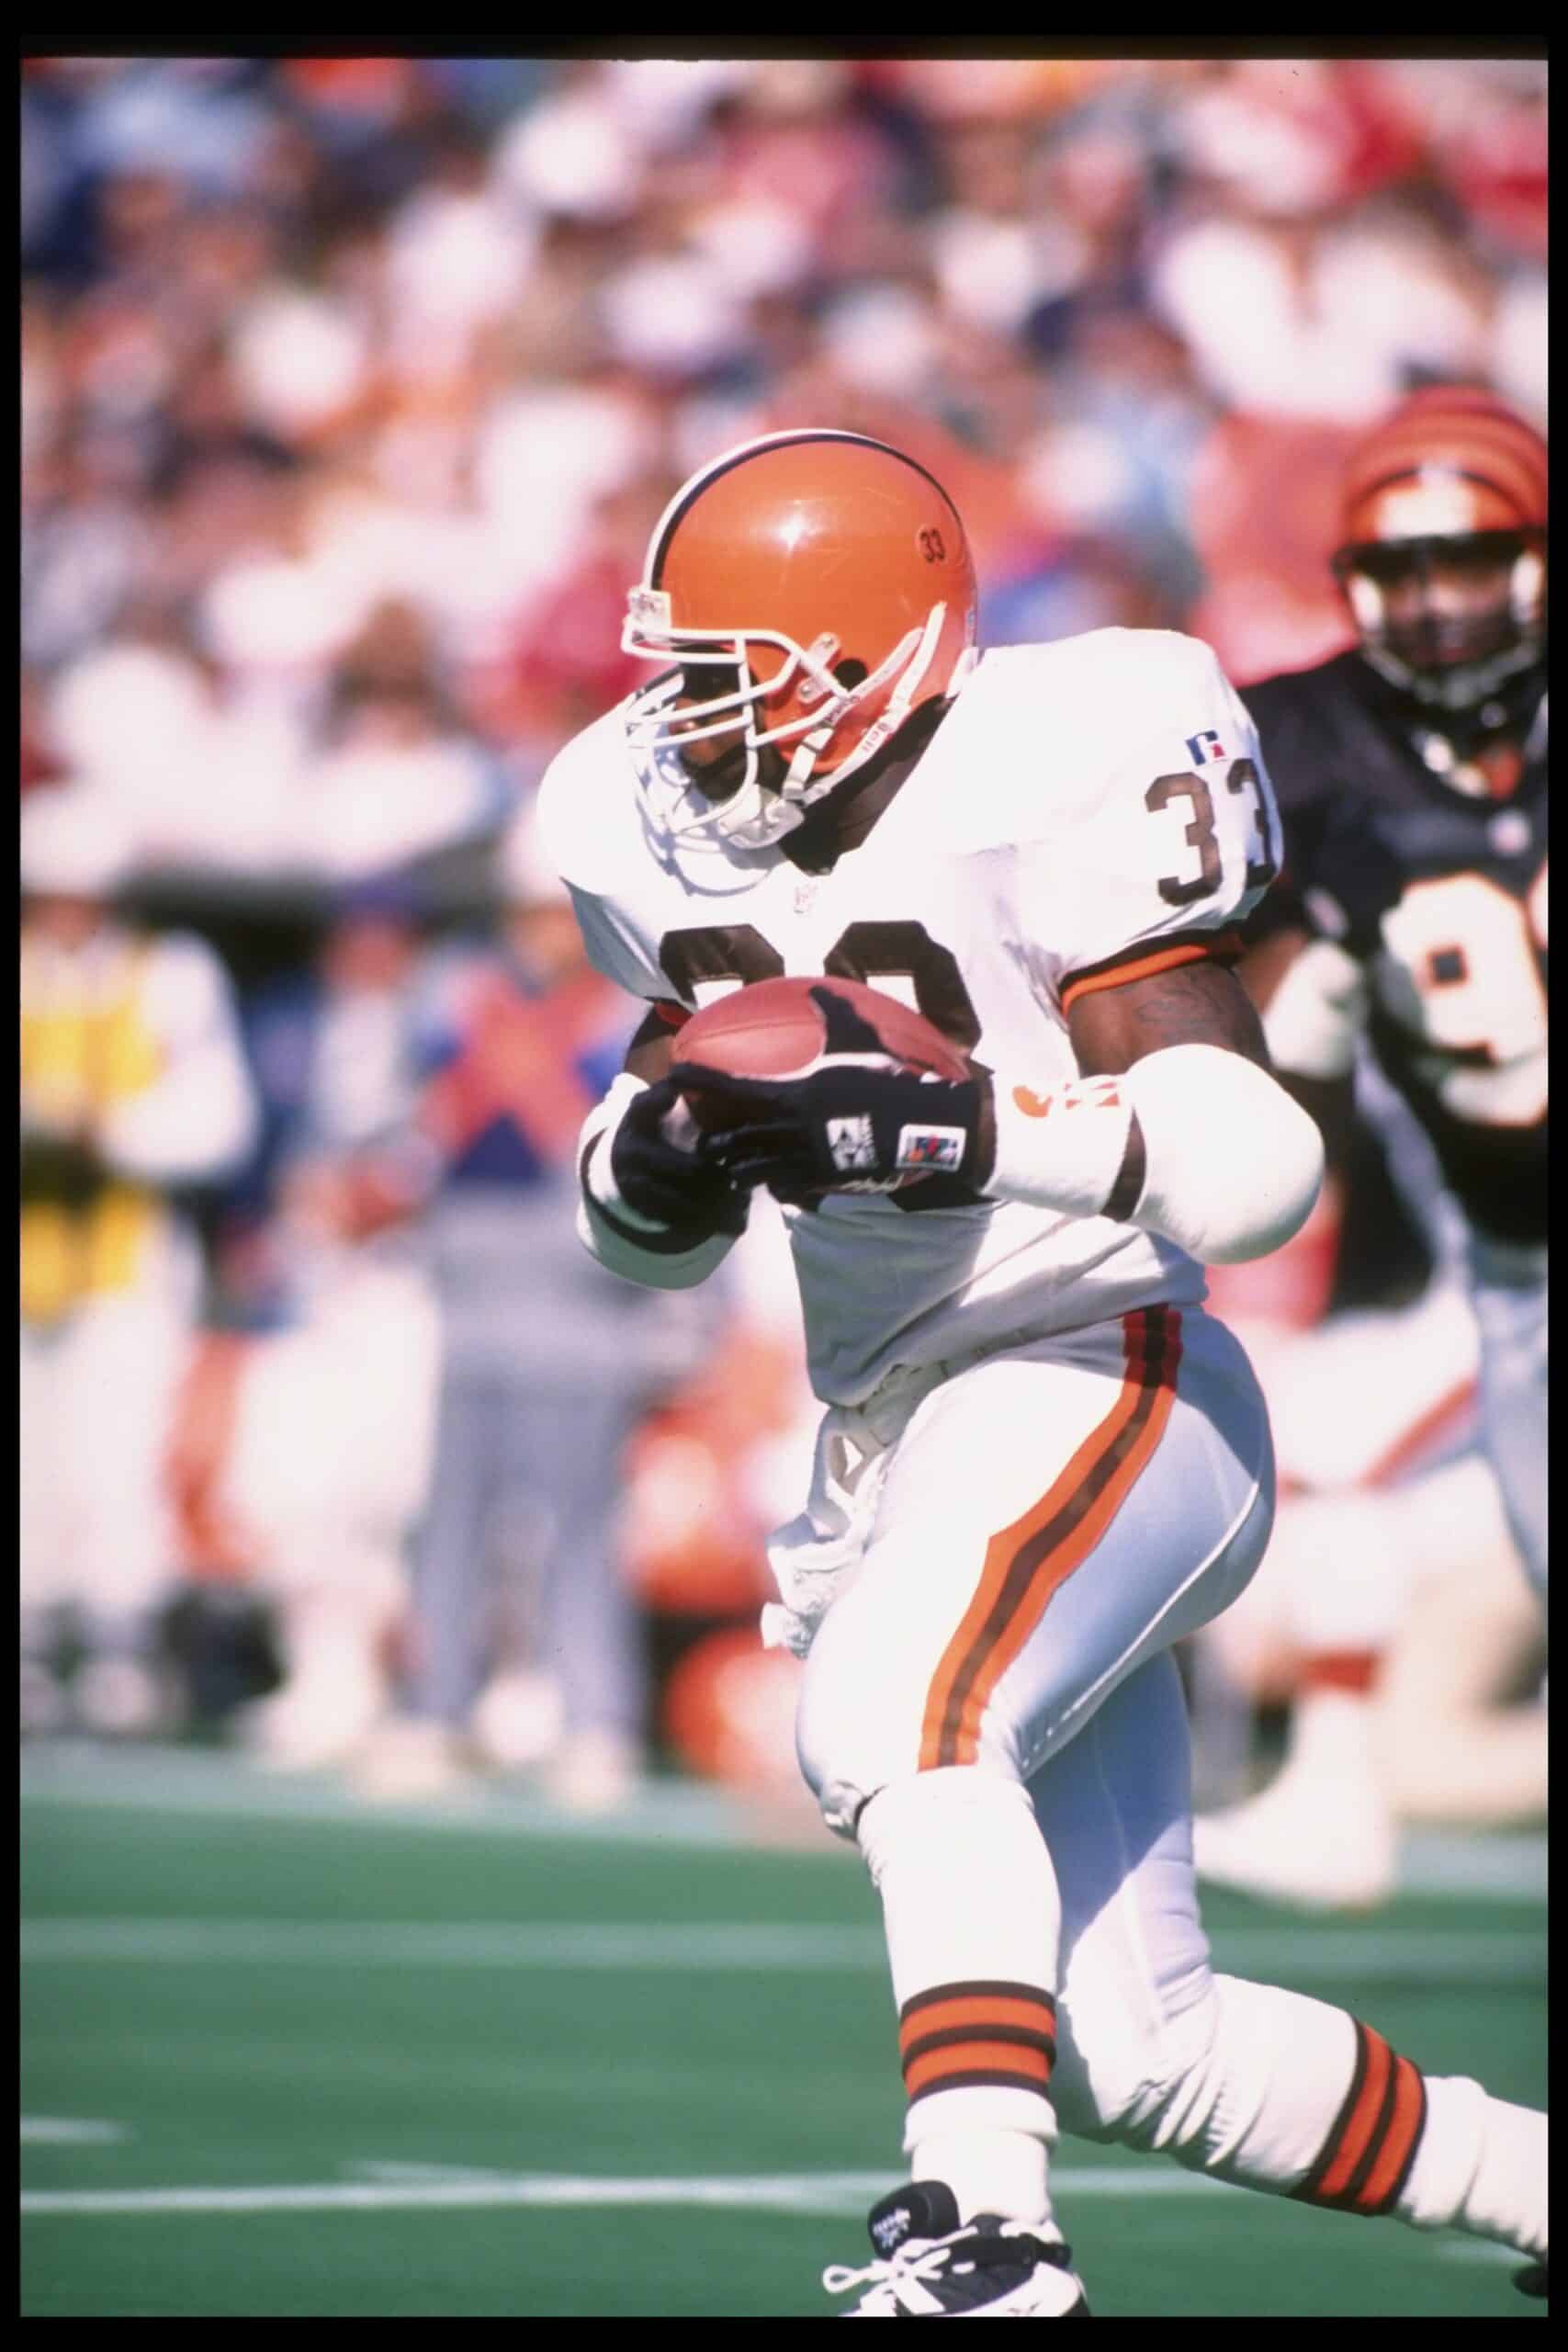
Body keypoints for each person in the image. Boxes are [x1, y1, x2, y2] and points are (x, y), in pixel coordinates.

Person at [536, 428, 1547, 2315]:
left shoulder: (1065, 749)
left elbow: (1250, 1163)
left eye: (728, 681)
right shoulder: (639, 822)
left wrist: (953, 1117)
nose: (683, 731)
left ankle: (983, 2229)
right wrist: (645, 1157)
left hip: (1103, 1356)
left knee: (899, 1712)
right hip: (899, 1425)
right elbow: (636, 1223)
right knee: (1150, 2051)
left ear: (873, 655)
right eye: (673, 682)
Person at [1194, 387, 1548, 1909]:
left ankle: (1337, 1794)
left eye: (1463, 564)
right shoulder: (1308, 743)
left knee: (1337, 1448)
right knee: (1328, 1443)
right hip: (1512, 1269)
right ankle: (1334, 1792)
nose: (1433, 606)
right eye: (1399, 575)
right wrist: (1300, 1024)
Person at [20, 782, 257, 1735]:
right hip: (30, 1257)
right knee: (31, 1461)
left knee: (116, 1460)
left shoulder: (171, 975)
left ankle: (120, 1650)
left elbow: (217, 1124)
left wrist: (103, 1135)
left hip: (129, 1262)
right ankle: (36, 1643)